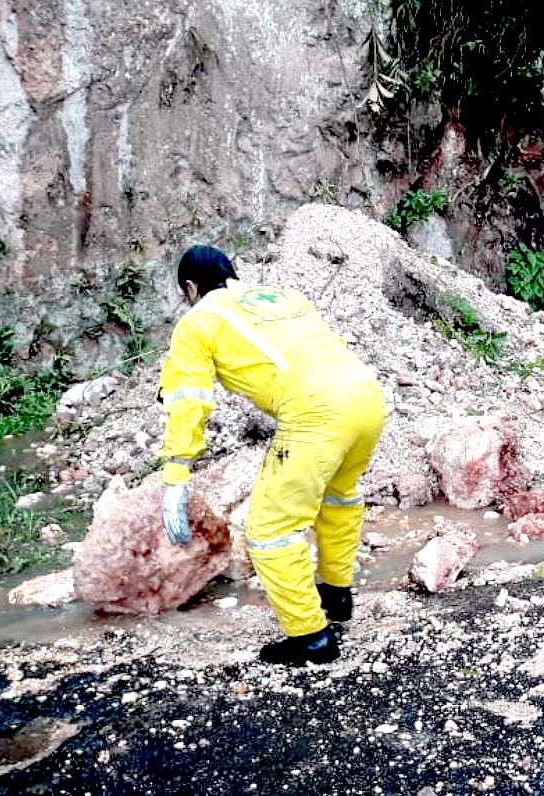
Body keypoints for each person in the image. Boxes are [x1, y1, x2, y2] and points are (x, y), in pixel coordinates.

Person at [157, 245, 386, 665]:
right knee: (337, 497)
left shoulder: (199, 320)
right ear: (233, 274)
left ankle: (311, 639)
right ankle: (336, 597)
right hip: (367, 397)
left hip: (316, 413)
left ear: (189, 288)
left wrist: (176, 473)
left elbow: (189, 398)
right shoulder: (283, 297)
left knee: (269, 530)